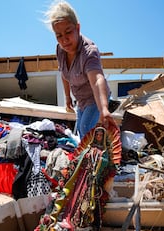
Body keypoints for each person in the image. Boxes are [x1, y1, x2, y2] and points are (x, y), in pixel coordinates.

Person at [44, 1, 114, 139]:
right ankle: (87, 157)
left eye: (68, 32)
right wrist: (67, 96)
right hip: (81, 100)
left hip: (96, 98)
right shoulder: (60, 50)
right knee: (80, 129)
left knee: (86, 128)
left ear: (78, 28)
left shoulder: (89, 52)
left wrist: (103, 109)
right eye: (59, 35)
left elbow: (97, 80)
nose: (64, 40)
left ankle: (94, 158)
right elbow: (64, 74)